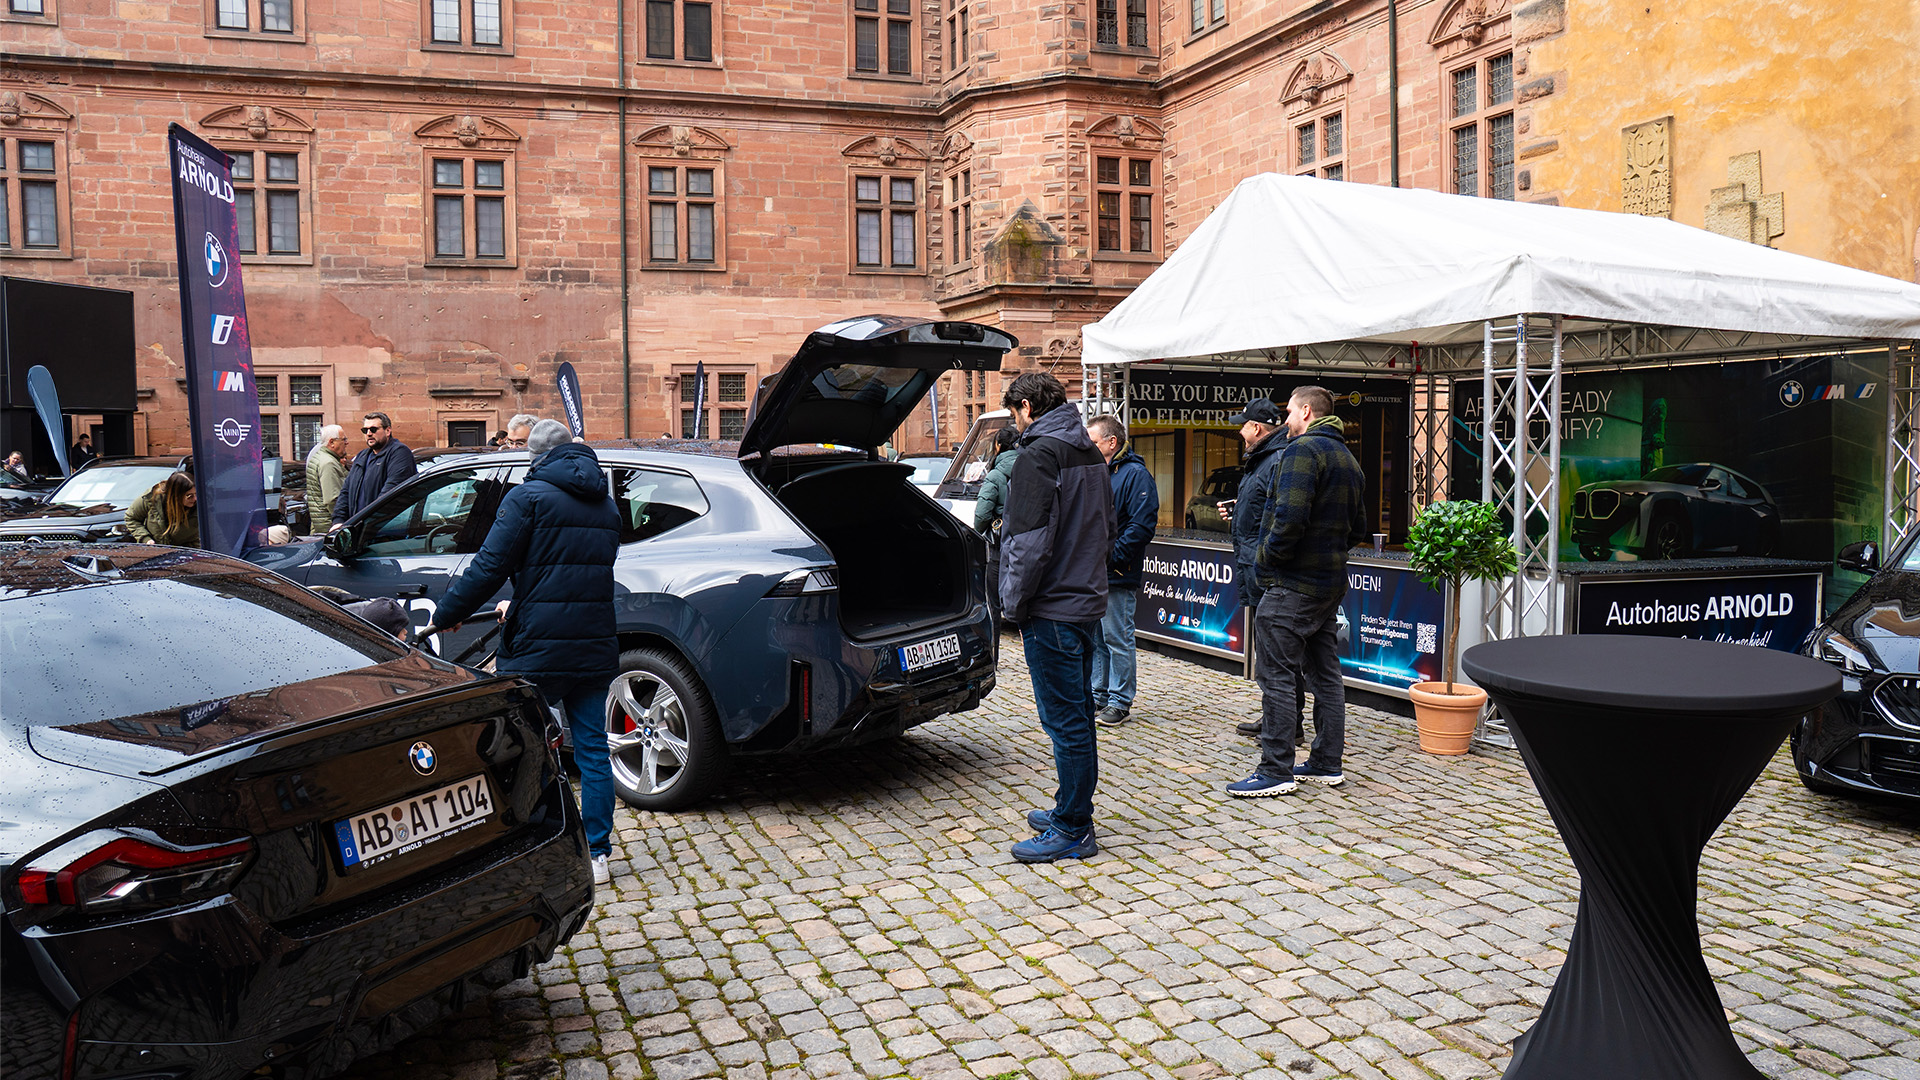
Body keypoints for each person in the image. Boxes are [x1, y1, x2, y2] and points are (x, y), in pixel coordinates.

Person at [424, 420, 622, 885]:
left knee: (520, 745)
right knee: (593, 749)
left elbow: (489, 566)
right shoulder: (607, 505)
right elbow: (579, 571)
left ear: (533, 455)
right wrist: (526, 592)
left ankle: (524, 841)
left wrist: (449, 613)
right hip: (593, 641)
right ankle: (597, 853)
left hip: (537, 644)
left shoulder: (526, 498)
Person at [1228, 386, 1369, 797]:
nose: (1285, 418)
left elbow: (1288, 518)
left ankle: (1275, 770)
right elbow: (1357, 527)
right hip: (1328, 583)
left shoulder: (1303, 451)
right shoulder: (1348, 457)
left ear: (1306, 412)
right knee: (1325, 675)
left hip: (1292, 584)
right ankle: (1326, 763)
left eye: (1289, 411)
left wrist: (1268, 561)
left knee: (1277, 676)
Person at [997, 373, 1114, 863]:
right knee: (1078, 714)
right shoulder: (1088, 450)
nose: (1014, 421)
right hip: (1084, 600)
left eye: (1014, 413)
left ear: (1026, 406)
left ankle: (1072, 826)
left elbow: (1026, 545)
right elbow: (1106, 526)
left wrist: (1011, 605)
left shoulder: (1038, 455)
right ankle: (1071, 807)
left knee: (1065, 720)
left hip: (1053, 608)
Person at [1222, 397, 1295, 738]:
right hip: (1255, 565)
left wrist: (1264, 559)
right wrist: (1237, 512)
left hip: (1265, 570)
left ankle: (1284, 725)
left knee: (1275, 653)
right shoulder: (1263, 459)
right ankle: (1278, 719)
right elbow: (1261, 509)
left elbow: (1281, 516)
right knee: (1269, 651)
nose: (1239, 431)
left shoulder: (1276, 459)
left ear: (1256, 428)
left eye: (1243, 424)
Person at [1086, 414, 1158, 727]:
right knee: (1099, 640)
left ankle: (1119, 701)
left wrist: (1112, 558)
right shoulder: (1098, 471)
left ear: (1111, 443)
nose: (1087, 446)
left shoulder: (1135, 475)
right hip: (1095, 573)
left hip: (1115, 572)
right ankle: (1098, 695)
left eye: (1093, 441)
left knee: (1117, 638)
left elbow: (1141, 526)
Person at [332, 411, 417, 527]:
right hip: (358, 528)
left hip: (384, 530)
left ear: (388, 431)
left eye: (373, 429)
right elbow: (346, 491)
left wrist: (370, 523)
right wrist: (338, 521)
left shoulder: (399, 453)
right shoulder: (362, 456)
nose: (369, 433)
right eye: (365, 430)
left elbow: (391, 494)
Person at [973, 426, 1021, 618]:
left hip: (1000, 546)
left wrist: (980, 530)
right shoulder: (1030, 467)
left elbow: (982, 516)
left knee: (994, 604)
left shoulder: (995, 474)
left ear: (998, 446)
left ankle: (993, 646)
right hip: (1026, 541)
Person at [124, 471, 200, 547]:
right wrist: (146, 539)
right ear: (175, 495)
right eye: (189, 496)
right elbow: (131, 518)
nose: (195, 498)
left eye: (196, 494)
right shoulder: (152, 498)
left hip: (188, 554)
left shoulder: (202, 506)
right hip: (155, 552)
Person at [304, 425, 349, 535]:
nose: (347, 443)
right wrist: (342, 522)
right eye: (344, 439)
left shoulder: (320, 457)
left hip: (321, 524)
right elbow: (332, 499)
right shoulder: (328, 463)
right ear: (332, 442)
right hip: (329, 527)